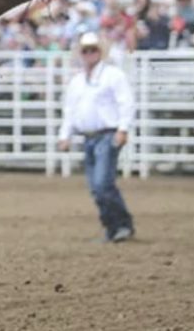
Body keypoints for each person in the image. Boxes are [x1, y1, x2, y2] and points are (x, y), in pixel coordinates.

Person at [57, 31, 136, 243]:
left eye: (93, 50)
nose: (89, 54)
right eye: (86, 50)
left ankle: (121, 225)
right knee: (97, 187)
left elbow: (125, 103)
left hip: (107, 135)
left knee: (101, 184)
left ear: (100, 52)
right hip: (89, 137)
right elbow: (70, 111)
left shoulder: (113, 75)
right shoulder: (77, 81)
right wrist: (65, 135)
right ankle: (114, 227)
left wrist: (123, 129)